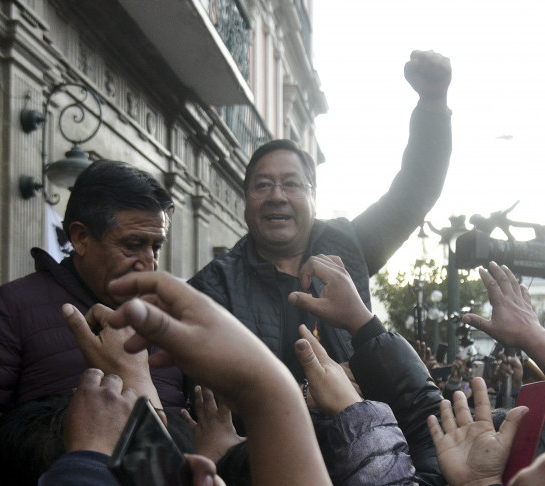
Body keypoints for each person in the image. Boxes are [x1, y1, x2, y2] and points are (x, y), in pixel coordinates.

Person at [190, 50, 453, 377]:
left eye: (291, 184)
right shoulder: (214, 285)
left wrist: (432, 104)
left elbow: (415, 191)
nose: (277, 196)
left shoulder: (348, 247)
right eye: (262, 185)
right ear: (245, 200)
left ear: (313, 196)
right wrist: (310, 397)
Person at [0, 160, 180, 423]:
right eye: (133, 244)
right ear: (81, 238)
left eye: (156, 247)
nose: (149, 263)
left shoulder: (171, 323)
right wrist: (60, 447)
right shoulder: (13, 309)